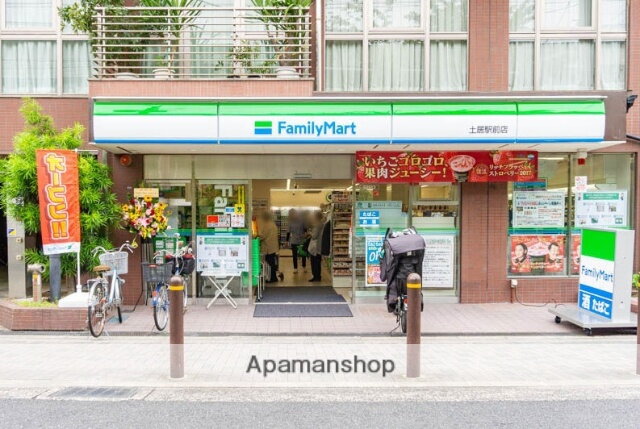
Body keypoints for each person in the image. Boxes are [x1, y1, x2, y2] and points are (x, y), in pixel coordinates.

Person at [258, 211, 280, 283]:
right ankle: (273, 277)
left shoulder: (267, 225)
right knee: (272, 263)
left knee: (269, 263)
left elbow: (263, 236)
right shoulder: (273, 224)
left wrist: (256, 237)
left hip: (268, 247)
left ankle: (271, 278)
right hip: (273, 247)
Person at [286, 209, 307, 274]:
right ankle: (296, 268)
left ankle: (303, 266)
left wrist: (305, 234)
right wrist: (287, 241)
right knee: (295, 255)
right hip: (295, 240)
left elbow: (305, 229)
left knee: (303, 254)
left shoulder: (302, 220)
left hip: (301, 240)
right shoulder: (290, 221)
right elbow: (288, 232)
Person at [307, 210, 324, 282]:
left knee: (314, 262)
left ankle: (315, 276)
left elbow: (314, 236)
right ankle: (318, 276)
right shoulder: (322, 224)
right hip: (319, 245)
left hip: (315, 247)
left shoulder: (317, 225)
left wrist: (310, 233)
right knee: (318, 262)